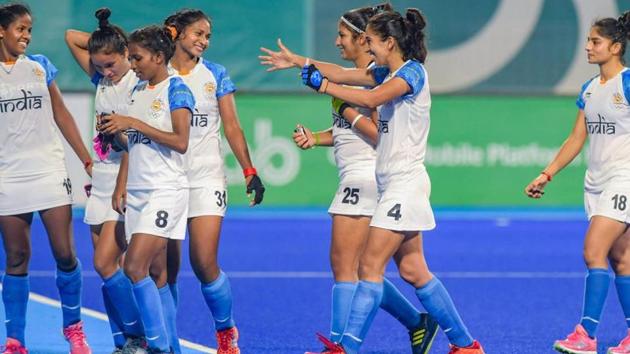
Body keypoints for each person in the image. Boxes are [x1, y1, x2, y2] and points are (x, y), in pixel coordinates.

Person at [261, 8, 484, 354]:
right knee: (413, 270)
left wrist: (324, 88)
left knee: (368, 266)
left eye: (372, 41)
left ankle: (345, 348)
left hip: (404, 184)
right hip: (391, 185)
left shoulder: (411, 74)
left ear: (390, 42)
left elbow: (370, 99)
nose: (368, 47)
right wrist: (301, 63)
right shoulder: (385, 71)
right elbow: (344, 73)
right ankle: (466, 345)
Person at [285, 4, 437, 354]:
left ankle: (339, 345)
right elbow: (343, 114)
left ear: (362, 40)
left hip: (367, 176)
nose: (338, 41)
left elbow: (374, 131)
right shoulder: (358, 75)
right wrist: (319, 135)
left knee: (347, 266)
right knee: (365, 268)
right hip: (363, 176)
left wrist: (344, 107)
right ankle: (418, 323)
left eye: (344, 36)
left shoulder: (383, 76)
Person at [525, 11, 630, 354]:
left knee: (592, 250)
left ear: (615, 47)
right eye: (587, 40)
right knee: (622, 260)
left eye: (595, 41)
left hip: (623, 179)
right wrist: (547, 173)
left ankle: (586, 334)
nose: (587, 46)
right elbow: (576, 138)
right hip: (596, 183)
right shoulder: (589, 89)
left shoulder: (627, 83)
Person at [162, 8, 265, 354]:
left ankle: (226, 332)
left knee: (204, 262)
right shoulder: (154, 73)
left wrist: (249, 171)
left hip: (207, 179)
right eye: (198, 34)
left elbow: (232, 127)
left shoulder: (215, 74)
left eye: (208, 36)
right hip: (167, 179)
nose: (204, 41)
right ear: (174, 32)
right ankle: (167, 340)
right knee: (166, 269)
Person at [0, 3, 93, 353]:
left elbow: (62, 114)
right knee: (16, 257)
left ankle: (74, 329)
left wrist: (86, 159)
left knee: (65, 253)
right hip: (7, 175)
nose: (26, 35)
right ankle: (15, 340)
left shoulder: (39, 67)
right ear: (1, 31)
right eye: (20, 29)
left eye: (29, 30)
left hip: (49, 170)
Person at [99, 24, 194, 354]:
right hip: (139, 193)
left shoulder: (177, 89)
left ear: (158, 56)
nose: (133, 63)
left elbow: (180, 142)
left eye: (137, 57)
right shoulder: (137, 90)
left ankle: (156, 347)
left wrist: (133, 123)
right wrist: (116, 134)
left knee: (133, 266)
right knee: (156, 274)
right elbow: (136, 143)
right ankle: (172, 346)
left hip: (165, 190)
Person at [65, 8, 146, 353]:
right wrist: (103, 36)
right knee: (107, 270)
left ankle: (140, 335)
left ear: (127, 54)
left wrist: (120, 186)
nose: (105, 72)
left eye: (111, 64)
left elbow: (136, 144)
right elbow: (71, 36)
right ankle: (121, 342)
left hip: (123, 181)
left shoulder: (137, 84)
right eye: (99, 66)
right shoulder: (102, 79)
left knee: (103, 263)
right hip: (100, 179)